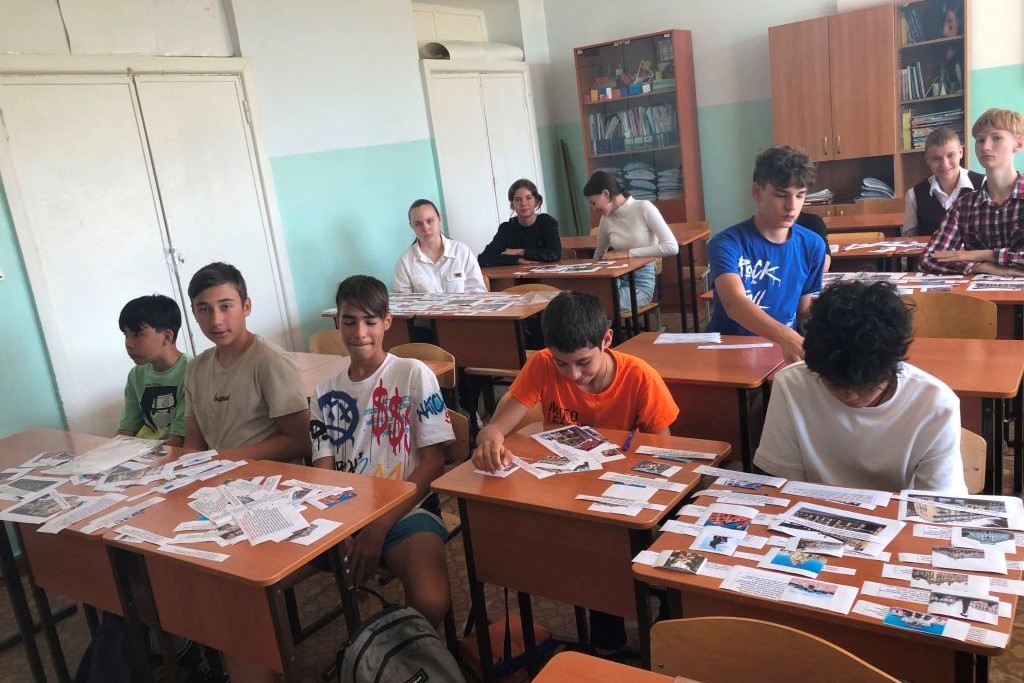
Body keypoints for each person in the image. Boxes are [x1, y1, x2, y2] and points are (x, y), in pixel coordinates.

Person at [472, 290, 678, 657]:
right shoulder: (542, 365)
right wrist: (489, 435)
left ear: (606, 340)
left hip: (628, 495)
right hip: (571, 493)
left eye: (583, 362)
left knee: (614, 549)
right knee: (588, 555)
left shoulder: (640, 378)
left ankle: (664, 626)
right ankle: (607, 642)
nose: (574, 375)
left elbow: (662, 460)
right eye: (562, 364)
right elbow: (499, 425)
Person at [310, 275, 454, 628]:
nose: (360, 332)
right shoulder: (324, 392)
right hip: (347, 511)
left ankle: (408, 651)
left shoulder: (412, 373)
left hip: (409, 509)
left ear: (387, 322)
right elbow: (324, 473)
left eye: (370, 321)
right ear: (337, 322)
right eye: (349, 321)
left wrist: (378, 526)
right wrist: (343, 528)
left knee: (431, 601)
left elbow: (434, 461)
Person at [754, 280, 966, 494]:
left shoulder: (935, 403)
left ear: (893, 365)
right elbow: (783, 487)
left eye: (868, 386)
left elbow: (935, 501)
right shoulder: (792, 384)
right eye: (834, 384)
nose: (851, 396)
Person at [705, 145, 825, 364]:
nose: (792, 206)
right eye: (781, 195)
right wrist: (785, 336)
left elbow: (803, 309)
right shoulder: (726, 243)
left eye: (800, 196)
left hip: (782, 351)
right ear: (757, 192)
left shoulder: (812, 244)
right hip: (731, 349)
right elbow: (734, 303)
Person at [182, 262, 310, 462]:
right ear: (194, 313)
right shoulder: (195, 368)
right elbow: (194, 443)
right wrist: (185, 469)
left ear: (246, 306)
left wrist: (221, 460)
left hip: (267, 477)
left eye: (225, 307)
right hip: (216, 474)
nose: (216, 320)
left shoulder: (271, 362)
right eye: (204, 309)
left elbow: (300, 441)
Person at [920, 108, 1024, 275]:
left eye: (996, 138)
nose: (986, 147)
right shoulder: (964, 205)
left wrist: (982, 255)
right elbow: (929, 258)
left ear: (1018, 144)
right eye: (980, 140)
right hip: (980, 291)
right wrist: (984, 267)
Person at [583, 170, 678, 311]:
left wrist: (627, 254)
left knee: (602, 302)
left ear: (606, 194)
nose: (593, 209)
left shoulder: (643, 207)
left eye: (594, 203)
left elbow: (672, 247)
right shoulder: (606, 219)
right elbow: (599, 253)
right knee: (587, 298)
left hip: (640, 283)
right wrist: (589, 276)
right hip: (615, 278)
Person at [117, 295, 189, 446]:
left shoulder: (191, 371)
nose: (128, 344)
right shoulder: (136, 374)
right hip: (140, 452)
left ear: (167, 337)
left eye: (137, 334)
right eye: (126, 335)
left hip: (173, 453)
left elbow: (179, 439)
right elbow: (127, 428)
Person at [901, 127, 983, 237]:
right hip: (931, 248)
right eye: (936, 158)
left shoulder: (983, 185)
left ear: (960, 152)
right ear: (927, 160)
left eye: (950, 155)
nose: (945, 164)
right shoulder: (914, 195)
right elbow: (909, 239)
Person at [393, 199, 487, 293]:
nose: (425, 228)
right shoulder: (405, 262)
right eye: (418, 224)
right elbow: (403, 299)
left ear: (439, 219)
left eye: (430, 221)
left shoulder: (462, 252)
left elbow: (478, 292)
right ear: (411, 226)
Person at [478, 178, 562, 267]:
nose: (523, 203)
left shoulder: (547, 223)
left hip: (546, 274)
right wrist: (517, 260)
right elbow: (483, 258)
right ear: (512, 204)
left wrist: (520, 252)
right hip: (517, 274)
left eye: (528, 198)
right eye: (518, 199)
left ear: (536, 201)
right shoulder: (506, 228)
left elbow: (554, 254)